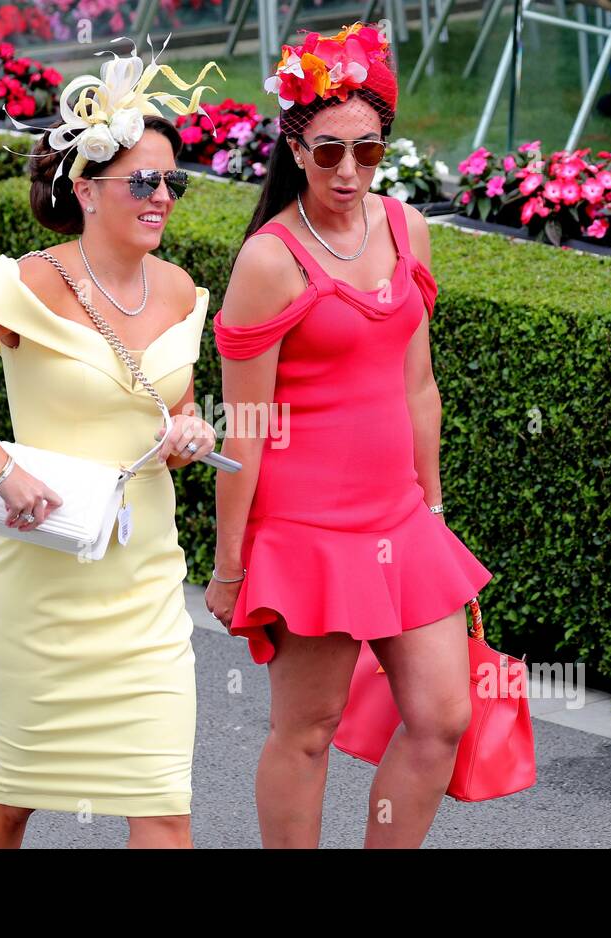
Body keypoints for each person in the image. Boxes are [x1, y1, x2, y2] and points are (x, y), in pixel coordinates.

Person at [0, 41, 222, 848]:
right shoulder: (28, 282)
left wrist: (190, 431)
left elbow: (173, 403)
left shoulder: (179, 289)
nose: (161, 195)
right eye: (142, 179)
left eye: (173, 180)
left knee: (165, 808)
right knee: (11, 801)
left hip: (147, 588)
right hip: (43, 590)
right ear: (86, 188)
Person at [206, 23, 494, 849]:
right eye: (329, 151)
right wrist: (232, 566)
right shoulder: (270, 260)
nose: (348, 171)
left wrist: (433, 512)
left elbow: (418, 385)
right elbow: (246, 426)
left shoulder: (407, 229)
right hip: (307, 531)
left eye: (368, 151)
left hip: (400, 520)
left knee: (442, 717)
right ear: (295, 145)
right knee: (308, 729)